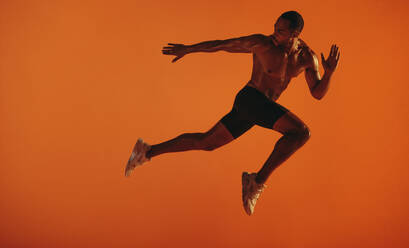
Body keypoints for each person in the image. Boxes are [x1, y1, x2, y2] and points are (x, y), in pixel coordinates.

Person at [125, 10, 340, 216]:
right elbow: (224, 44)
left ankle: (146, 151)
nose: (275, 33)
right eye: (275, 27)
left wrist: (329, 73)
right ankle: (256, 181)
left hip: (260, 108)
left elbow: (318, 93)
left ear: (295, 34)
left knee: (206, 142)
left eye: (281, 31)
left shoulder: (307, 58)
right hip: (249, 99)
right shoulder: (262, 44)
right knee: (301, 133)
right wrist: (189, 49)